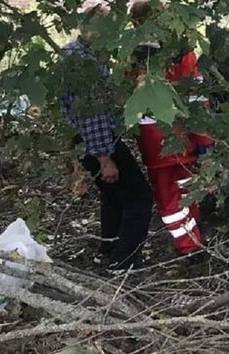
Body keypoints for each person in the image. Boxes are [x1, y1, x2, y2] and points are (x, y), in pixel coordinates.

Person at [60, 4, 152, 274]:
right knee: (139, 197)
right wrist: (103, 157)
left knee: (113, 196)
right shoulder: (84, 63)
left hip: (84, 139)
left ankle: (109, 249)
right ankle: (124, 260)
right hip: (96, 139)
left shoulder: (72, 52)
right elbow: (93, 112)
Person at [129, 0, 211, 261]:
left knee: (170, 199)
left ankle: (191, 245)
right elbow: (198, 100)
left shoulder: (134, 56)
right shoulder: (183, 51)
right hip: (184, 134)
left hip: (156, 142)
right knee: (187, 187)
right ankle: (193, 238)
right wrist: (204, 140)